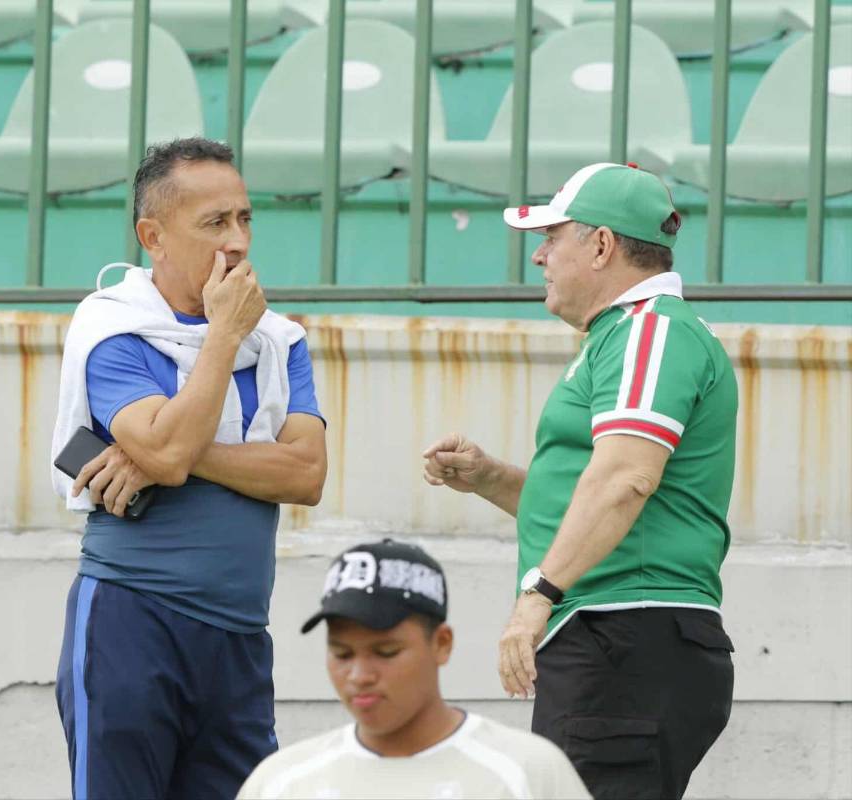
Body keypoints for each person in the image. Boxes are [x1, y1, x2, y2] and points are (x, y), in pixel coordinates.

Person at [422, 162, 738, 800]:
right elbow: (598, 493)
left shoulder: (651, 329)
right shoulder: (632, 334)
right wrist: (490, 479)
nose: (539, 254)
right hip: (620, 637)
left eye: (552, 236)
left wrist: (538, 594)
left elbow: (625, 479)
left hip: (623, 636)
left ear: (601, 245)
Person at [48, 137, 328, 799]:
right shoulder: (113, 327)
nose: (236, 242)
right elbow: (167, 454)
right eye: (214, 224)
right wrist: (223, 337)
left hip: (238, 639)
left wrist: (165, 452)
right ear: (154, 235)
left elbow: (304, 474)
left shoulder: (278, 339)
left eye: (245, 219)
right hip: (132, 622)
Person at [237, 539, 591, 800]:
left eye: (386, 652)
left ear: (442, 644)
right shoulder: (282, 783)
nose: (360, 675)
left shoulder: (528, 772)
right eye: (342, 654)